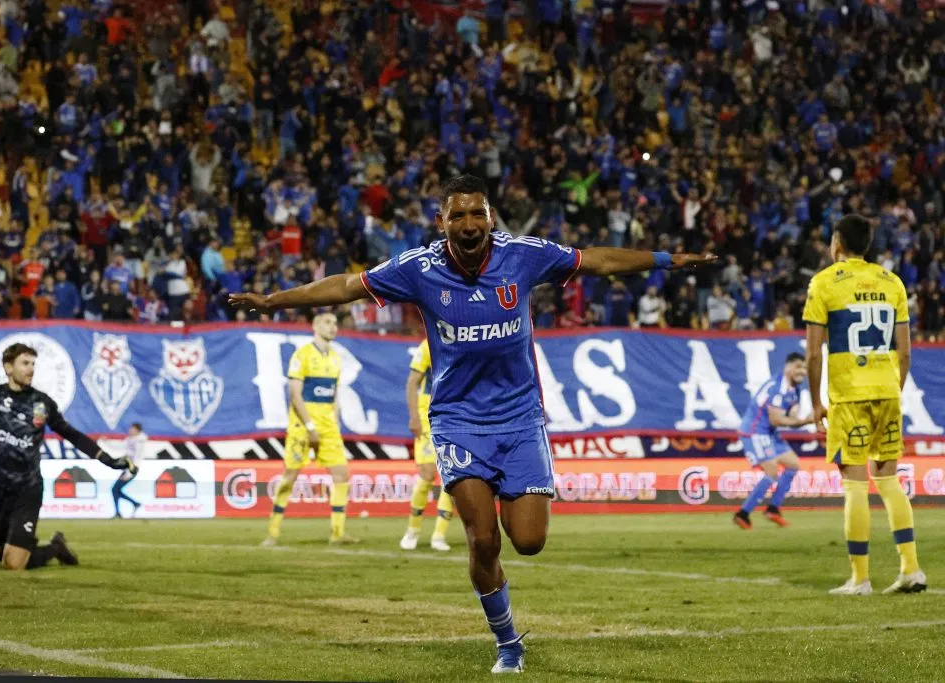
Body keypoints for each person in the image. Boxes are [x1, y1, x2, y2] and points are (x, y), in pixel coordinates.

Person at [231, 174, 714, 674]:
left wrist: (665, 259)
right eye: (457, 215)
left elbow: (596, 260)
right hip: (457, 420)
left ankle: (509, 509)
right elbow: (348, 287)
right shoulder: (417, 268)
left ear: (490, 218)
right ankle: (507, 642)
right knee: (483, 540)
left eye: (476, 214)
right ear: (441, 223)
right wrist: (273, 301)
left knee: (528, 540)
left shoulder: (523, 255)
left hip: (521, 418)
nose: (468, 224)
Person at [0, 305, 136, 571]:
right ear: (8, 367)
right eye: (25, 363)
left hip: (27, 489)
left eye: (33, 364)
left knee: (14, 565)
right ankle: (11, 542)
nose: (30, 369)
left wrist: (108, 459)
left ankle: (54, 547)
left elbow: (72, 435)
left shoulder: (41, 403)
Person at [803, 215, 925, 596]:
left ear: (837, 244)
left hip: (849, 394)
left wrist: (816, 403)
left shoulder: (824, 283)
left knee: (855, 483)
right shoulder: (893, 283)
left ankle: (860, 578)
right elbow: (905, 353)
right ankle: (911, 569)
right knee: (888, 479)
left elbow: (812, 355)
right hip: (887, 390)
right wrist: (892, 388)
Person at [261, 311, 359, 547]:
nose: (333, 326)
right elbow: (295, 394)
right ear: (315, 326)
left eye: (335, 323)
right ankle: (272, 533)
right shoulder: (302, 355)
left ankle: (337, 533)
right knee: (289, 477)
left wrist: (334, 421)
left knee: (341, 474)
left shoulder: (336, 358)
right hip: (302, 427)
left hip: (328, 426)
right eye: (327, 322)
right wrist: (310, 425)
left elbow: (332, 393)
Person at [733, 353, 812, 530]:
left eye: (805, 368)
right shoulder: (778, 388)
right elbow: (777, 420)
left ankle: (773, 509)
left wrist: (804, 418)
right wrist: (807, 421)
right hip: (755, 432)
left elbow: (791, 418)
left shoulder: (794, 389)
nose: (803, 372)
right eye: (799, 366)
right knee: (772, 472)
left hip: (769, 433)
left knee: (793, 464)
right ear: (788, 367)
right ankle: (743, 514)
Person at [399, 338, 453, 552]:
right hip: (427, 414)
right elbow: (412, 382)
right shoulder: (427, 345)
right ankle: (413, 529)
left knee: (453, 472)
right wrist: (414, 417)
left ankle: (439, 534)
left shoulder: (463, 340)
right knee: (428, 472)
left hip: (454, 415)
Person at [111, 423, 147, 519]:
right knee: (115, 490)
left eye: (132, 428)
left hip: (132, 469)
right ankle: (132, 505)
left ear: (137, 430)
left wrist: (130, 472)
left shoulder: (139, 441)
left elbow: (137, 457)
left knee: (115, 489)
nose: (130, 430)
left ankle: (125, 509)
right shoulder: (130, 439)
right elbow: (119, 446)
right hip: (128, 468)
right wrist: (106, 442)